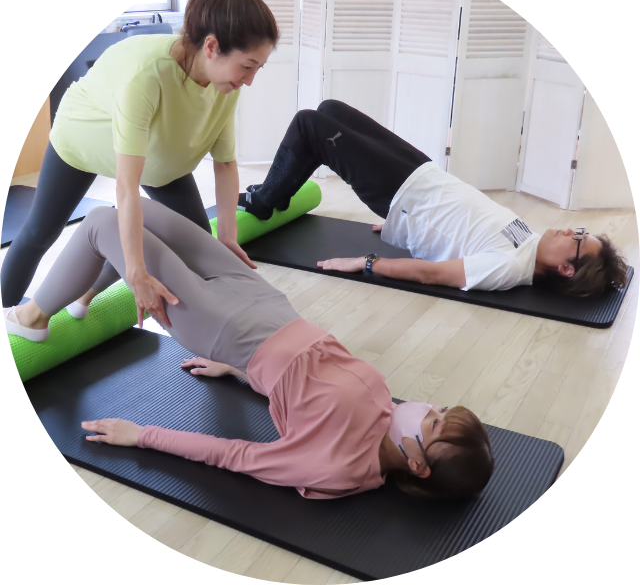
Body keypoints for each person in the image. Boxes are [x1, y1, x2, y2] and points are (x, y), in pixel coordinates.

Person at [4, 199, 494, 500]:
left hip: (226, 328)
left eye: (434, 424)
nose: (428, 409)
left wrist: (142, 436)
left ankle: (34, 319)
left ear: (418, 466)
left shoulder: (338, 467)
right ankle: (84, 297)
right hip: (267, 304)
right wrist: (237, 373)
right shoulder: (386, 414)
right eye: (441, 409)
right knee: (139, 209)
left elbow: (237, 455)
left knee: (100, 222)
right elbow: (307, 391)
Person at [1, 0, 279, 330]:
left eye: (258, 68)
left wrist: (226, 237)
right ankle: (8, 311)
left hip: (160, 157)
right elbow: (126, 188)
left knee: (197, 244)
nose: (250, 80)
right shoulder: (147, 75)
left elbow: (224, 164)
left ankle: (84, 296)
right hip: (84, 139)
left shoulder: (226, 83)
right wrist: (136, 275)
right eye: (247, 66)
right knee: (40, 232)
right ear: (212, 47)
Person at [238, 100, 628, 297]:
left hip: (399, 192)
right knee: (330, 110)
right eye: (580, 230)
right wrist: (408, 234)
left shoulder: (509, 268)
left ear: (565, 269)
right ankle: (281, 191)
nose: (570, 230)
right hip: (422, 172)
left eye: (578, 239)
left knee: (309, 124)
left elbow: (434, 274)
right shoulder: (531, 242)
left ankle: (265, 201)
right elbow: (463, 232)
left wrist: (366, 262)